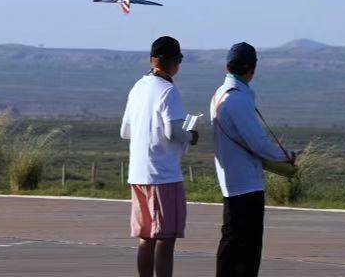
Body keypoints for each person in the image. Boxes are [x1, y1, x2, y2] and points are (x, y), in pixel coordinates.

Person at [210, 42, 293, 277]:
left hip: (231, 180)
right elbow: (256, 141)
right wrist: (286, 157)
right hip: (246, 182)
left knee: (231, 241)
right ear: (252, 69)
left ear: (227, 66)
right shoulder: (237, 98)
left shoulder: (220, 94)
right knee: (248, 247)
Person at [120, 36, 199, 277]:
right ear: (174, 61)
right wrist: (191, 135)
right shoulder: (168, 90)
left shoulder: (138, 87)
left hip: (138, 174)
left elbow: (125, 131)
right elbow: (172, 131)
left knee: (146, 237)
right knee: (166, 238)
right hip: (162, 175)